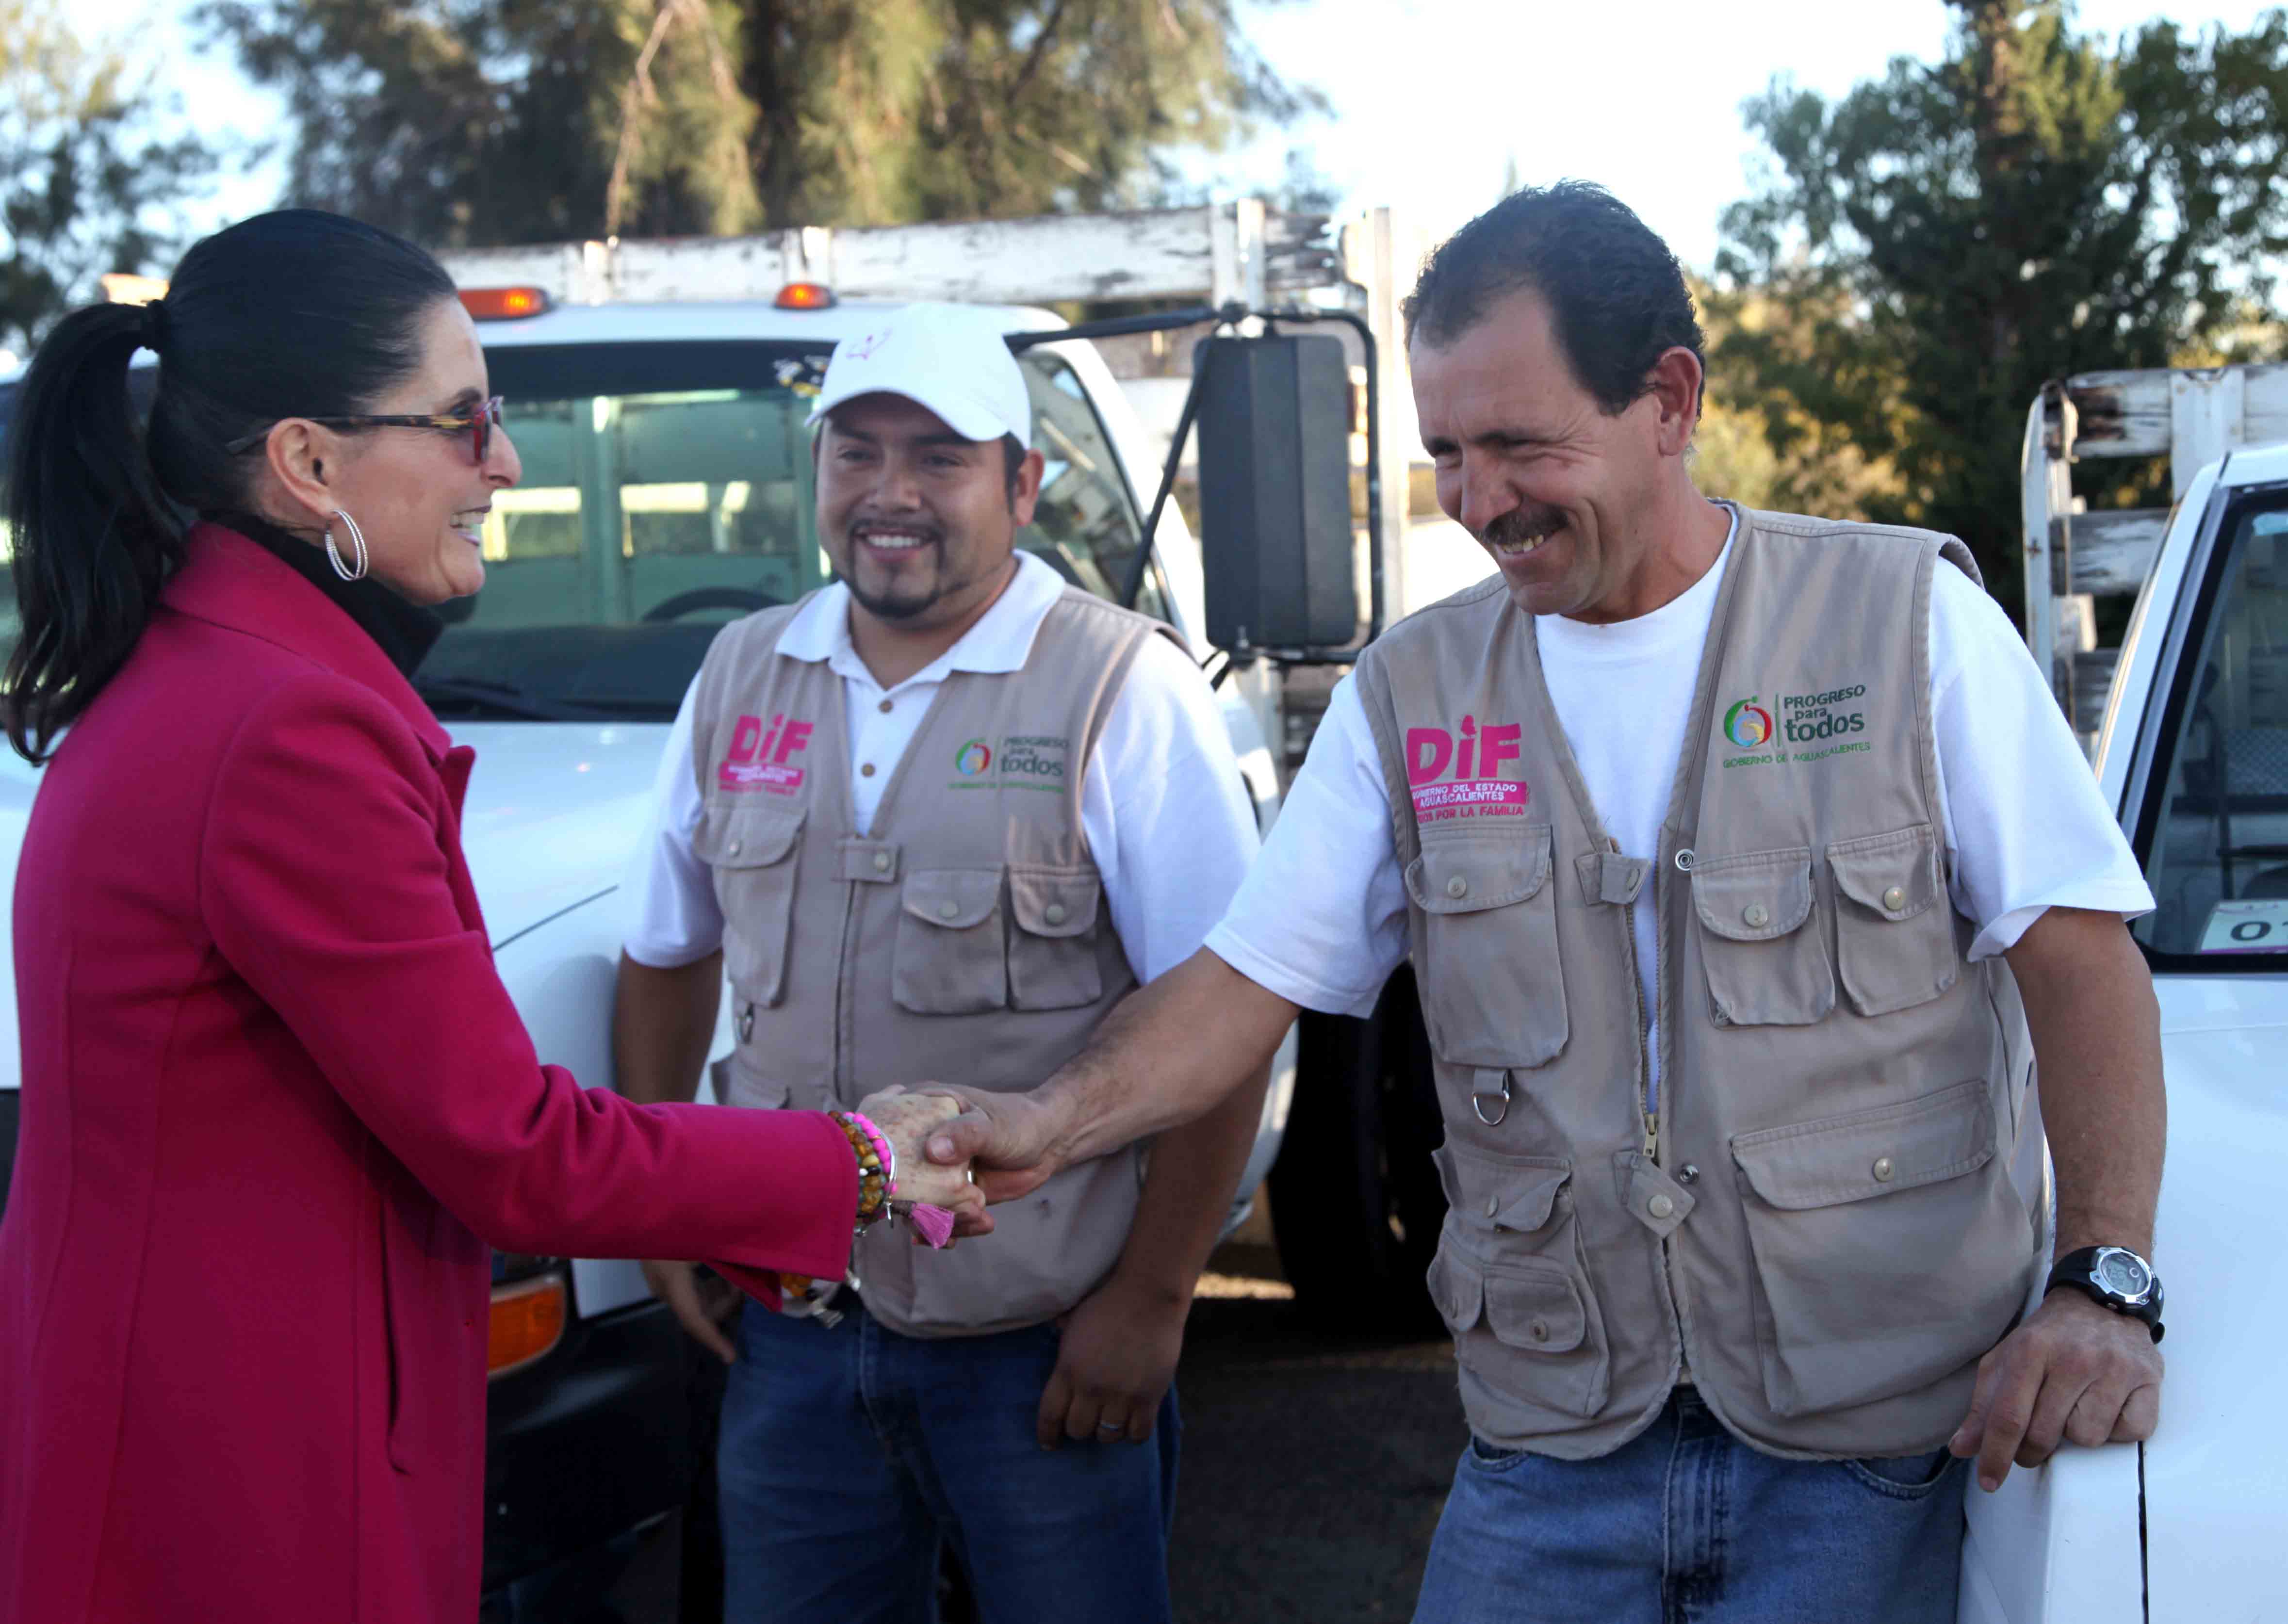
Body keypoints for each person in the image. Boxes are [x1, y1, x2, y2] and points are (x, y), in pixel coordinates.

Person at [928, 183, 2169, 1624]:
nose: (1476, 502)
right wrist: (1048, 1121)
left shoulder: (1899, 625)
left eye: (1520, 444)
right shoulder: (1412, 694)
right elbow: (1244, 981)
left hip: (1877, 1454)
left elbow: (2079, 963)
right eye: (1446, 452)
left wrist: (2101, 1284)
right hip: (1550, 1452)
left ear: (1669, 399)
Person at [0, 210, 978, 1624]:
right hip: (247, 1484)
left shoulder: (199, 676)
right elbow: (517, 1152)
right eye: (463, 422)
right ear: (308, 463)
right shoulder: (286, 731)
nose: (503, 462)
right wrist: (860, 1167)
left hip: (194, 1437)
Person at [612, 300, 1267, 1624]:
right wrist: (665, 1202)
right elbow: (666, 952)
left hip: (1038, 1350)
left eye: (938, 457)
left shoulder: (1115, 688)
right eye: (855, 454)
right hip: (792, 1341)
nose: (889, 495)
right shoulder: (741, 672)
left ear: (1021, 484)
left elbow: (1227, 1016)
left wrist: (1150, 1298)